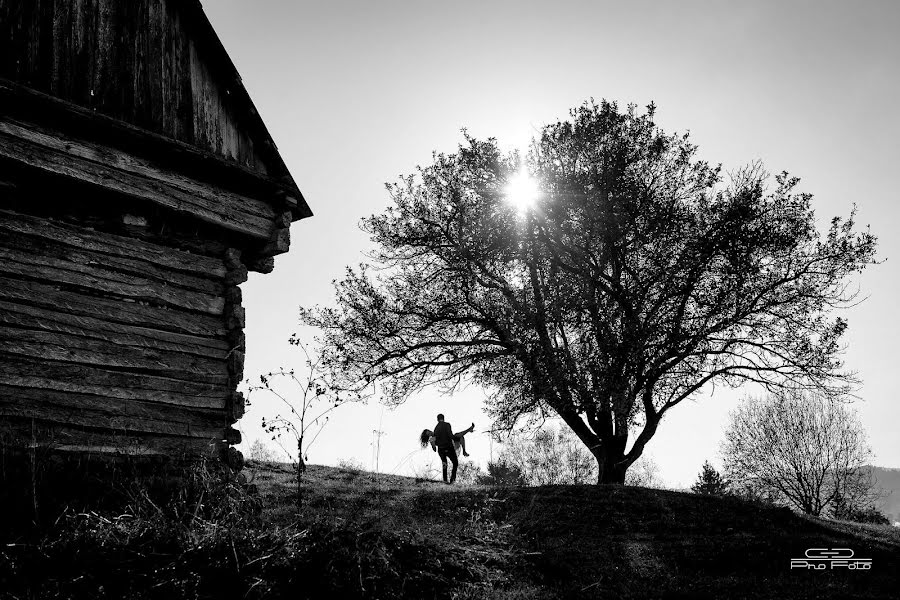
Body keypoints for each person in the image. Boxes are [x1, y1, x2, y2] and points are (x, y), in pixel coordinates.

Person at [432, 413, 462, 484]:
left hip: (440, 449)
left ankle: (445, 480)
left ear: (437, 419)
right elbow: (450, 435)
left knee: (444, 463)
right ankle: (452, 480)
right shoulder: (447, 425)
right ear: (444, 418)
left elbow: (435, 441)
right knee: (455, 463)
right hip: (449, 447)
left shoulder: (436, 428)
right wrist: (456, 438)